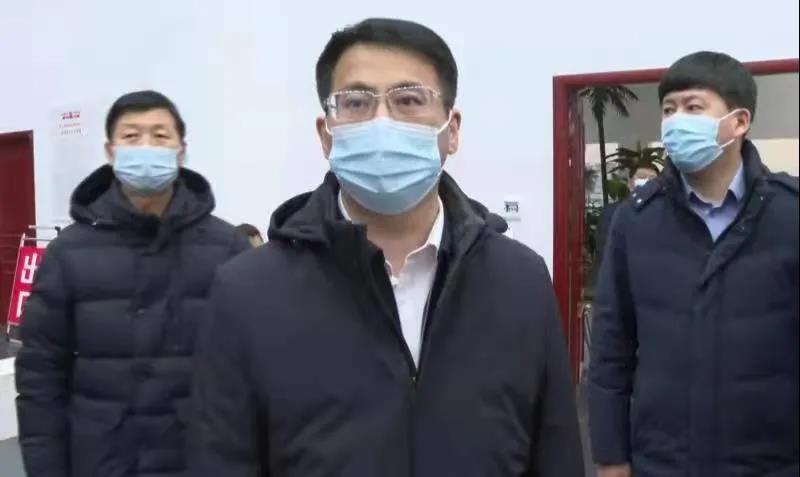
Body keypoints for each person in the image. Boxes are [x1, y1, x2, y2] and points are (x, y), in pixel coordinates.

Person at [191, 18, 584, 477]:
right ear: (326, 133)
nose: (382, 121)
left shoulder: (520, 281)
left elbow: (555, 451)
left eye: (409, 100)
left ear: (452, 130)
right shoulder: (247, 293)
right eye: (356, 102)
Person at [15, 90, 249, 477]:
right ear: (110, 152)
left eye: (160, 135)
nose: (146, 147)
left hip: (201, 459)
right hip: (102, 460)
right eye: (131, 136)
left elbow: (253, 370)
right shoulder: (68, 253)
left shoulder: (227, 249)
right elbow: (41, 377)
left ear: (181, 151)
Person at [588, 51, 799, 477]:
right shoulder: (636, 221)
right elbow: (611, 349)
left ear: (739, 122)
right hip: (662, 462)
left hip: (772, 460)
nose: (676, 121)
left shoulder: (789, 215)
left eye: (693, 107)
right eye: (668, 109)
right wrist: (611, 458)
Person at [595, 163, 660, 261]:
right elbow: (605, 248)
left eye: (652, 179)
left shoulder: (666, 213)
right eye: (642, 177)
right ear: (630, 184)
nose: (647, 182)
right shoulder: (612, 212)